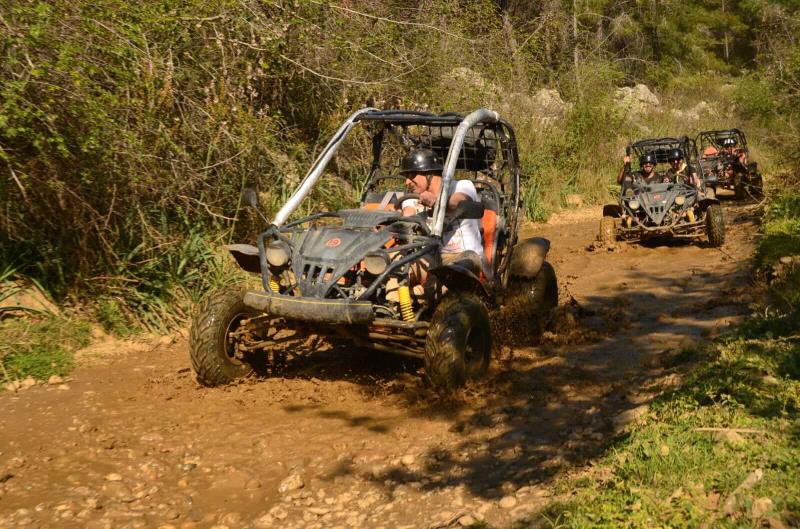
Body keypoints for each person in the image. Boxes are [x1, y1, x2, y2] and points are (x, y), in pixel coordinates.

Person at [397, 148, 484, 276]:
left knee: (455, 270)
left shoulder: (461, 186)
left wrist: (436, 201)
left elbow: (459, 202)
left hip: (462, 256)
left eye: (412, 175)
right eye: (406, 177)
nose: (407, 182)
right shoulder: (412, 197)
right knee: (394, 267)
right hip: (430, 258)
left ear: (430, 174)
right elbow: (408, 214)